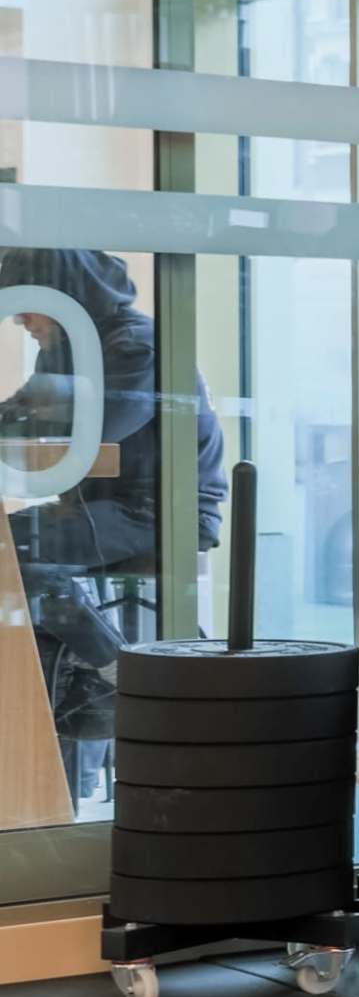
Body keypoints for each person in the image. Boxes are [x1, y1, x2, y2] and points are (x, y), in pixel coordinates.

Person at [0, 249, 225, 798]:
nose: (20, 321)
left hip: (160, 511)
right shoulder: (65, 350)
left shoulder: (134, 344)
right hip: (103, 508)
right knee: (14, 549)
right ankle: (73, 698)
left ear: (63, 295)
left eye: (28, 306)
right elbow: (23, 413)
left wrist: (40, 411)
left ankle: (117, 669)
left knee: (18, 553)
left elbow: (100, 429)